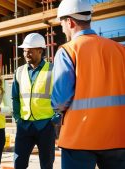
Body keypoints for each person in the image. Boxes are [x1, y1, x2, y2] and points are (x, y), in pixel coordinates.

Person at [52, 0, 125, 169]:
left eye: (62, 24)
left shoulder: (68, 50)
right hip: (118, 137)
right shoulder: (120, 50)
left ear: (69, 22)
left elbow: (60, 100)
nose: (62, 29)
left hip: (79, 139)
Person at [12, 33, 57, 169]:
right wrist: (17, 118)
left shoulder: (53, 69)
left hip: (46, 125)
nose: (26, 54)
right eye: (25, 51)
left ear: (40, 50)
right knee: (18, 163)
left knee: (46, 164)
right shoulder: (19, 71)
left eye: (30, 51)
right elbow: (15, 97)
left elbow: (60, 96)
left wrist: (55, 119)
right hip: (24, 125)